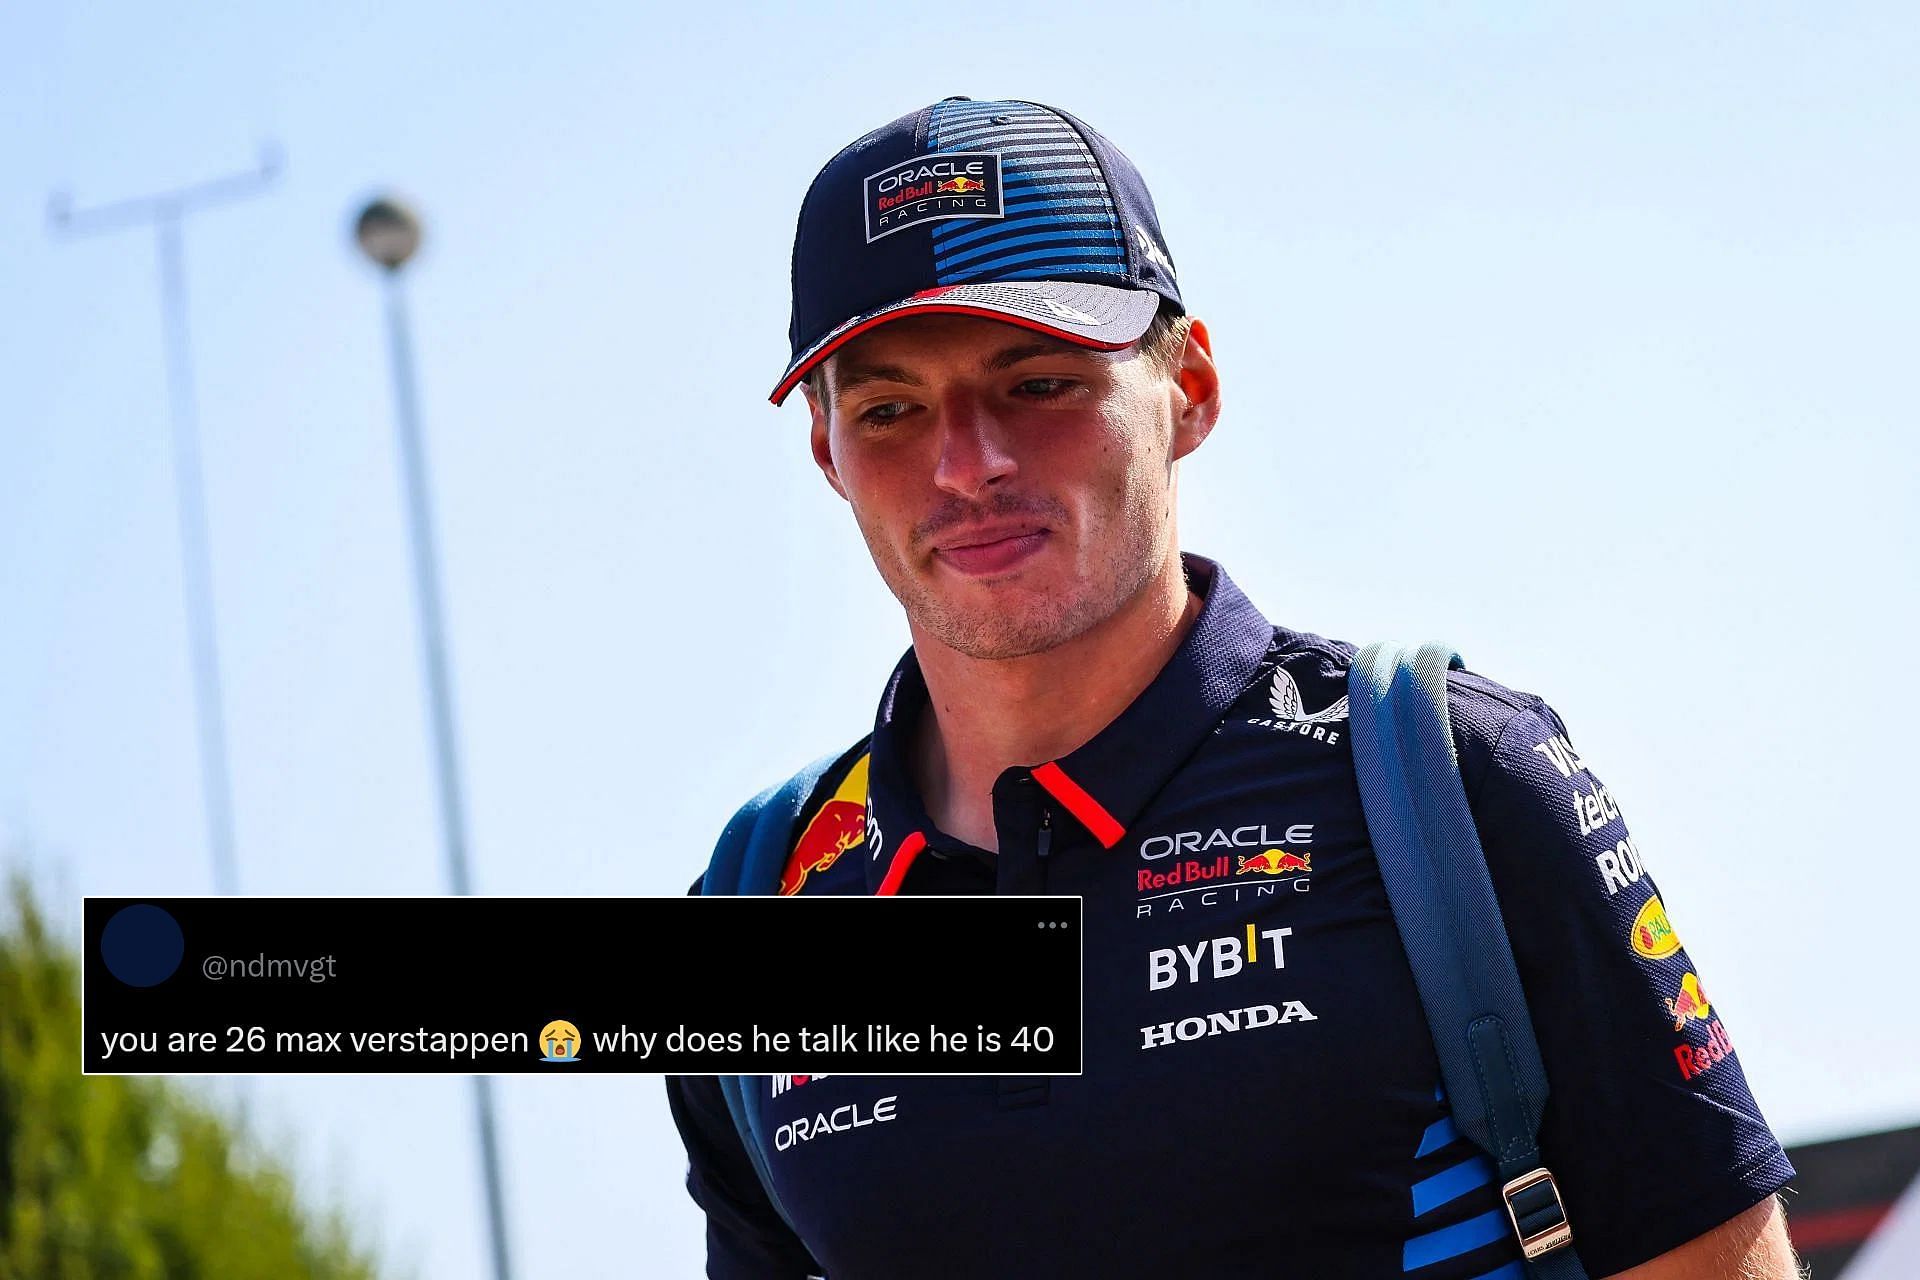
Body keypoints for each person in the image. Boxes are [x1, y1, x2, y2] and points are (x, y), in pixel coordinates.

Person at [663, 95, 1800, 1280]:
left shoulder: (1450, 778)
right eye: (892, 410)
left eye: (1040, 382)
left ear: (1188, 389)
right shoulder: (761, 890)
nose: (968, 464)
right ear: (828, 456)